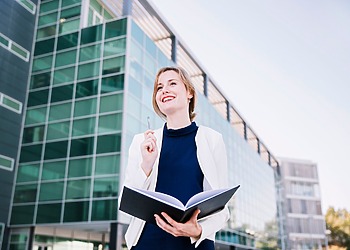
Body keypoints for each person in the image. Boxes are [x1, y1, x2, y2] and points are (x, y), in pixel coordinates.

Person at [121, 66, 230, 249]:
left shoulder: (212, 140)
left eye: (172, 83)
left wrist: (198, 230)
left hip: (195, 244)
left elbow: (222, 209)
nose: (164, 90)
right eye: (159, 87)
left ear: (189, 92)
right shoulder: (143, 141)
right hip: (147, 243)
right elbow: (125, 204)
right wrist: (146, 165)